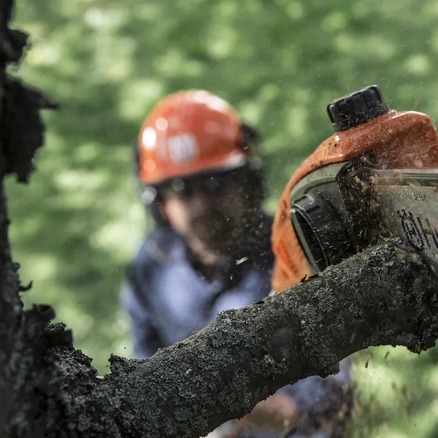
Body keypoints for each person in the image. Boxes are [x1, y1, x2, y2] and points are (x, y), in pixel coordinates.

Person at [121, 90, 353, 437]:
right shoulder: (151, 269)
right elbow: (142, 362)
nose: (203, 203)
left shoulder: (294, 257)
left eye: (216, 183)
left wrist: (268, 408)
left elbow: (334, 398)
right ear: (159, 203)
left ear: (248, 182)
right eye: (182, 188)